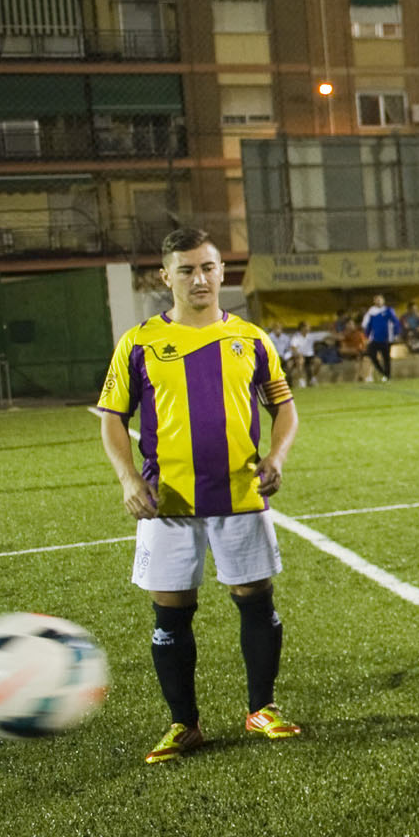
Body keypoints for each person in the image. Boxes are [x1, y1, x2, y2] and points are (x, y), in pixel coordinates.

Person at [92, 229, 303, 764]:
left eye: (208, 267)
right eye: (186, 270)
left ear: (222, 272)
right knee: (171, 614)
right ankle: (183, 724)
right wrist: (127, 480)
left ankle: (263, 707)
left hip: (241, 493)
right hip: (169, 501)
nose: (199, 279)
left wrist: (275, 458)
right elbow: (112, 419)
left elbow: (286, 407)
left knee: (256, 601)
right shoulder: (138, 342)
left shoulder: (252, 337)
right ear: (166, 277)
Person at [360, 293, 400, 382]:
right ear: (374, 301)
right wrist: (367, 335)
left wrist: (396, 333)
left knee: (386, 358)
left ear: (383, 300)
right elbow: (369, 325)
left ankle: (387, 376)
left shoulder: (388, 311)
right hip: (375, 338)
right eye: (376, 299)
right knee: (372, 355)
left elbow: (395, 322)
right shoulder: (372, 312)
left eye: (380, 299)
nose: (378, 301)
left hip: (386, 338)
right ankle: (382, 372)